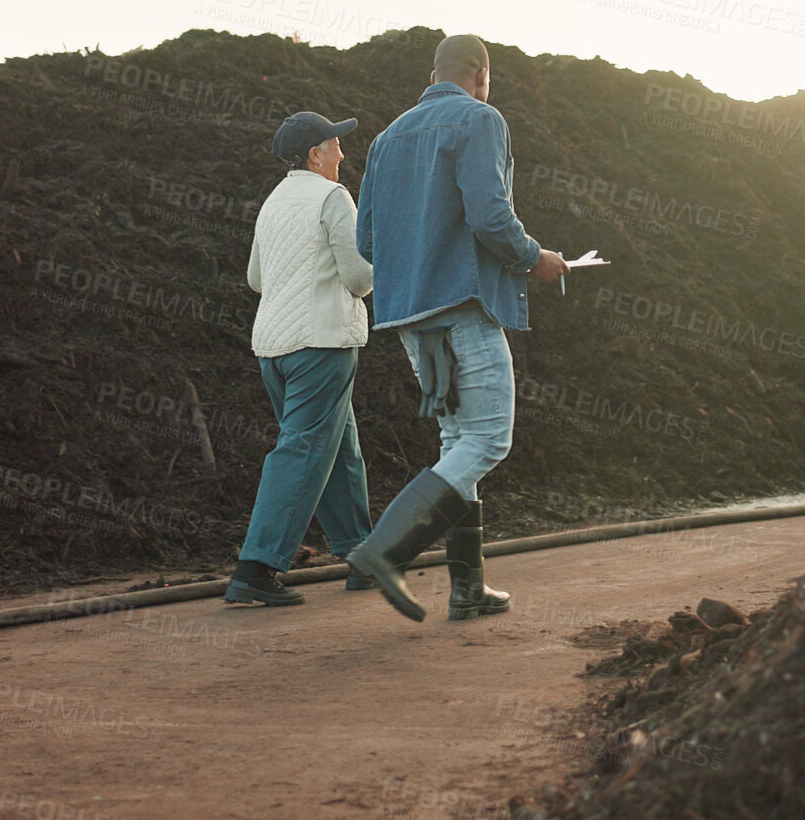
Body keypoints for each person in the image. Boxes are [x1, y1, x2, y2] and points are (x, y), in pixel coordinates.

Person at [347, 34, 568, 621]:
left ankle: (467, 589)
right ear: (481, 73)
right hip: (464, 304)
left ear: (433, 73)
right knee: (490, 438)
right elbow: (491, 215)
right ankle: (385, 549)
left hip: (408, 316)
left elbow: (366, 241)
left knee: (457, 442)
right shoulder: (480, 119)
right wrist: (533, 258)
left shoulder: (388, 137)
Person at [224, 111, 375, 606]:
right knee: (303, 451)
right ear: (315, 155)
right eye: (335, 145)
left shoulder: (273, 202)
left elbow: (256, 280)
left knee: (339, 449)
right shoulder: (334, 198)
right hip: (322, 346)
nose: (342, 154)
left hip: (273, 348)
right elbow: (358, 279)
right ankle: (257, 567)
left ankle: (362, 554)